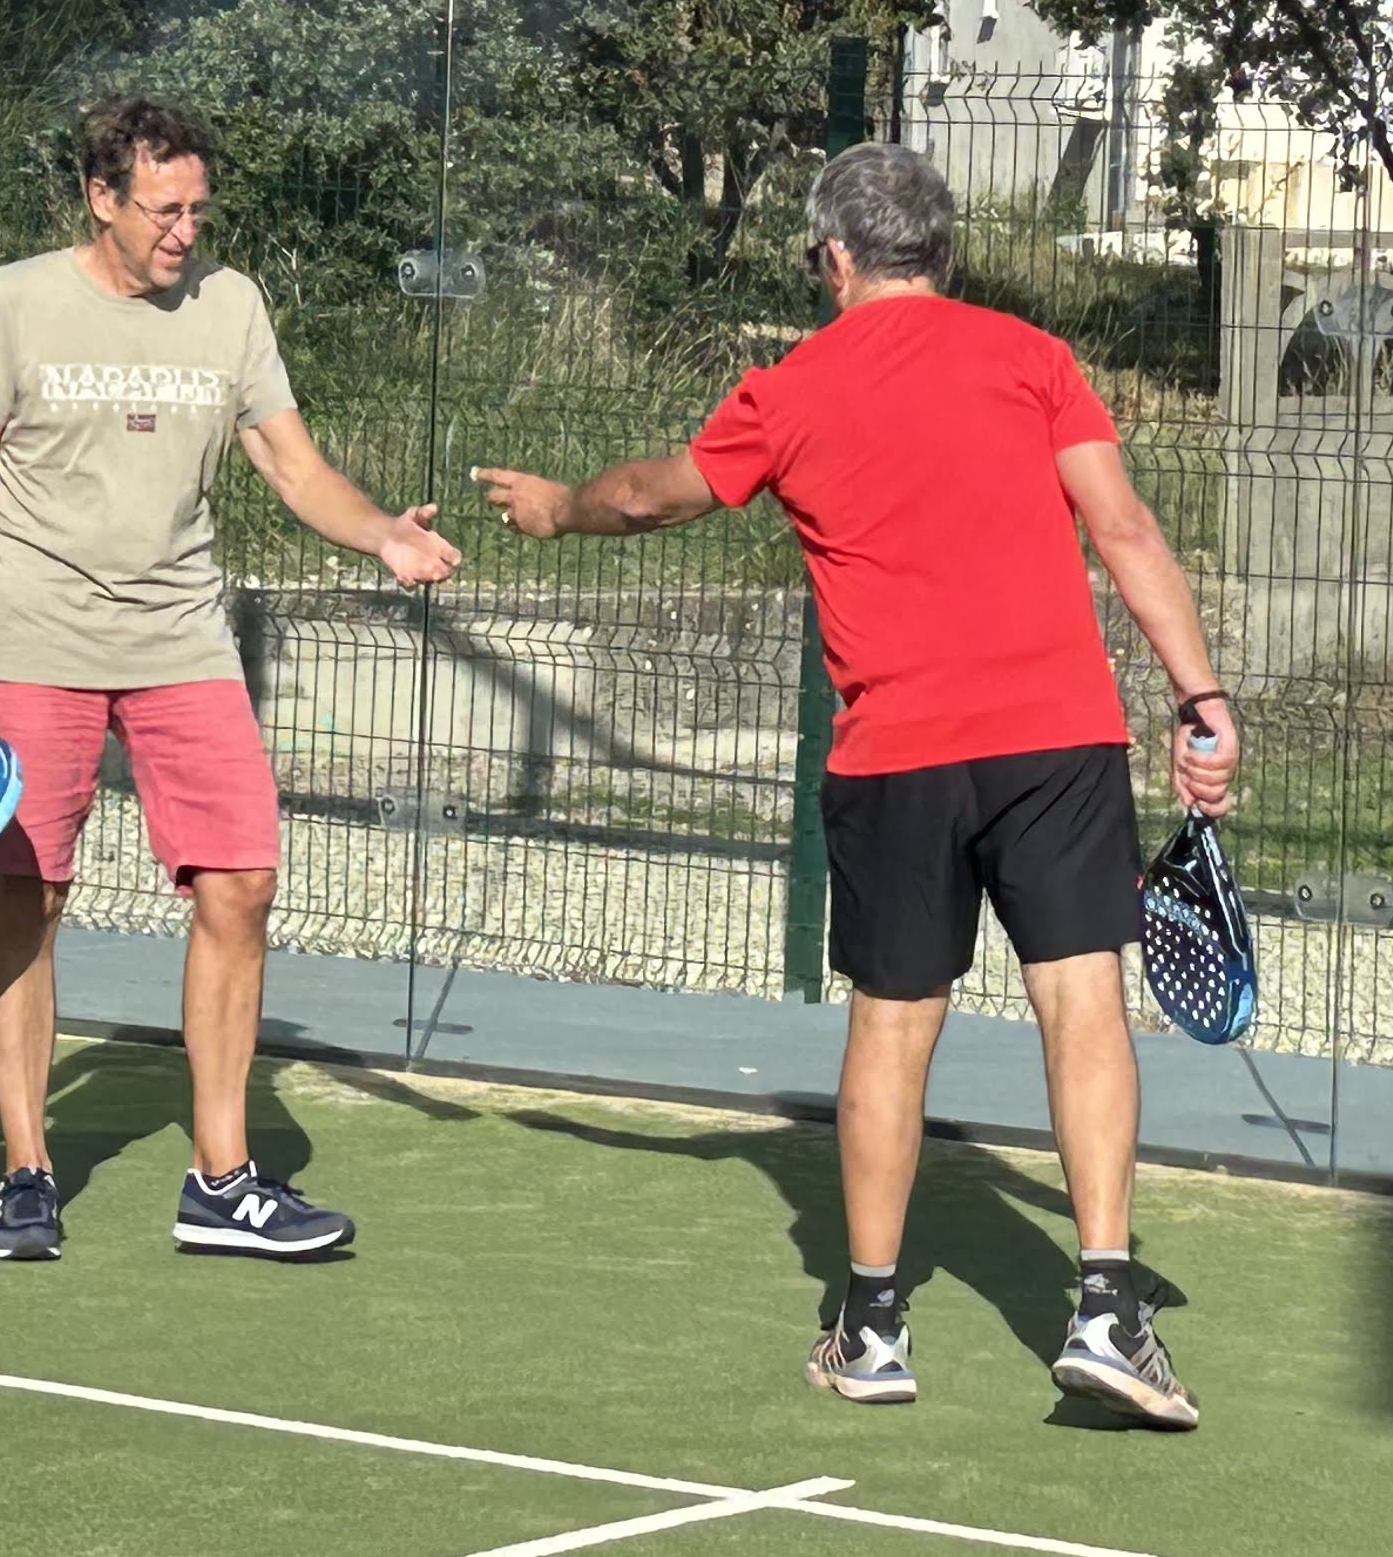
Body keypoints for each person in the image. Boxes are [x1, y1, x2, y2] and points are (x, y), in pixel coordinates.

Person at [473, 142, 1238, 1430]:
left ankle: (873, 1329)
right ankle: (1108, 1307)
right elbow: (1126, 530)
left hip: (900, 759)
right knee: (1083, 1002)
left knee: (893, 1024)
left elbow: (654, 500)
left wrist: (558, 510)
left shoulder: (789, 388)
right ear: (942, 251)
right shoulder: (1035, 360)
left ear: (834, 258)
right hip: (1059, 739)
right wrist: (1201, 699)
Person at [0, 97, 460, 1266]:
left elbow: (293, 466)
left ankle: (222, 1182)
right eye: (162, 209)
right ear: (102, 198)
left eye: (198, 209)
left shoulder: (231, 307)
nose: (185, 231)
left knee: (241, 882)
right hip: (35, 642)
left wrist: (382, 534)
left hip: (182, 642)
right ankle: (29, 1172)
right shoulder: (19, 300)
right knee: (32, 896)